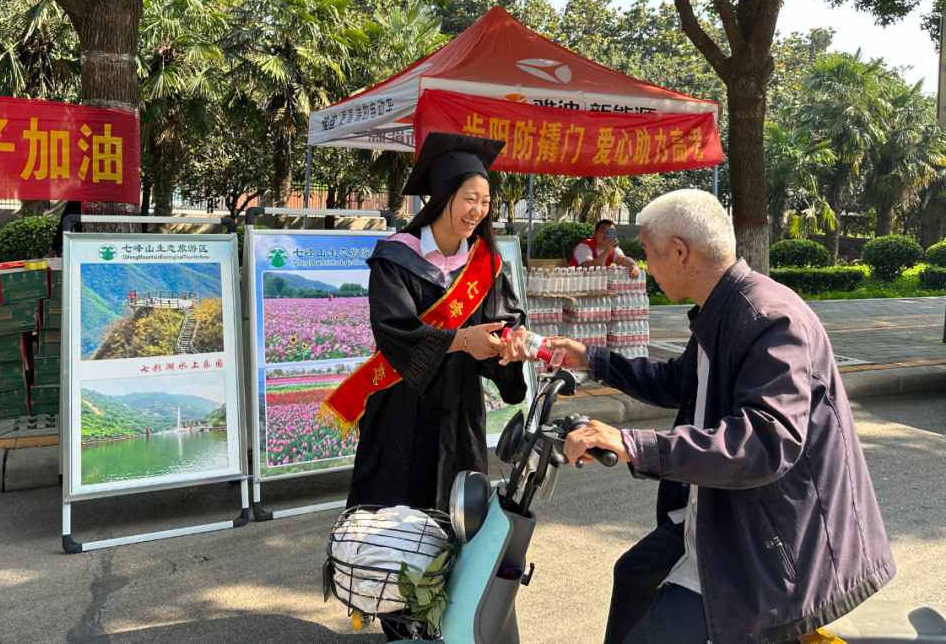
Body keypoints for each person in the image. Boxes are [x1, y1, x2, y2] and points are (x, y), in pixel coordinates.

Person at [504, 189, 894, 644]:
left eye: (649, 254)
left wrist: (632, 444)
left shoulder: (770, 320)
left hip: (771, 542)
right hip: (722, 511)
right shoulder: (722, 310)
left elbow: (763, 442)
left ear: (680, 251)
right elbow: (680, 381)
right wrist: (593, 359)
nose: (645, 267)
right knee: (633, 574)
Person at [321, 131, 527, 640]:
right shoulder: (395, 258)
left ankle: (447, 619)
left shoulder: (485, 265)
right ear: (442, 199)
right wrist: (462, 340)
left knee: (458, 513)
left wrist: (509, 349)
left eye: (485, 201)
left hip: (459, 411)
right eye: (469, 199)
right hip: (401, 409)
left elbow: (503, 324)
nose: (478, 210)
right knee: (398, 513)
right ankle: (397, 621)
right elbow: (395, 333)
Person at [570, 218, 641, 278]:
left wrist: (633, 265)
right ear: (595, 233)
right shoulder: (584, 246)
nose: (606, 235)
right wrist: (607, 252)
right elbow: (588, 267)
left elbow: (622, 259)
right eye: (603, 231)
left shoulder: (612, 248)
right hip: (577, 284)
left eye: (610, 232)